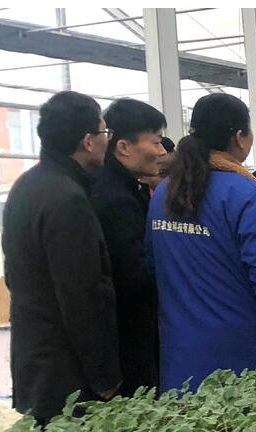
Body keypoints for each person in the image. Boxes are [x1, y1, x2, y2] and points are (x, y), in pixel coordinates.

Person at [147, 93, 256, 392]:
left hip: (182, 355)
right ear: (240, 137)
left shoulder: (165, 194)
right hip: (243, 359)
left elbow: (154, 264)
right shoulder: (247, 195)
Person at [2, 91, 120, 425]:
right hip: (66, 371)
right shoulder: (67, 199)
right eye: (104, 133)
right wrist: (104, 375)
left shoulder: (27, 185)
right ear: (88, 141)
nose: (107, 141)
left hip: (35, 359)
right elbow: (80, 294)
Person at [91, 98, 166, 396]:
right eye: (156, 142)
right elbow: (133, 275)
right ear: (123, 147)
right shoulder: (115, 199)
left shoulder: (126, 187)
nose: (162, 152)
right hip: (128, 340)